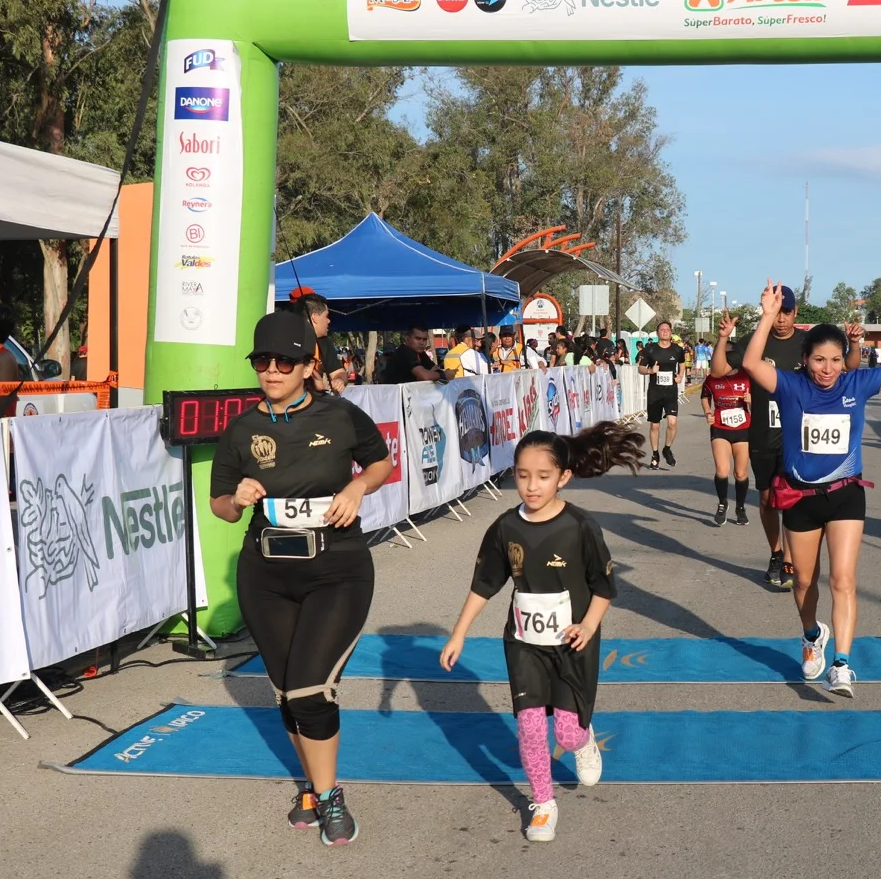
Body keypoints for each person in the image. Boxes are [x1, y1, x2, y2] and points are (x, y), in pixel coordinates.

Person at [209, 310, 395, 845]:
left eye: (284, 362)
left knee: (311, 690)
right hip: (265, 576)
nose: (271, 371)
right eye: (262, 361)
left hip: (337, 571)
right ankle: (313, 788)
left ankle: (330, 795)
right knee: (288, 695)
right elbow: (220, 505)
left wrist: (357, 488)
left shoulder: (341, 415)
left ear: (308, 366)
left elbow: (381, 463)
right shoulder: (242, 428)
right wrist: (236, 499)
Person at [440, 422, 644, 842]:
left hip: (572, 642)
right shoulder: (505, 528)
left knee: (566, 733)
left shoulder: (580, 526)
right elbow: (484, 584)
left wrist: (588, 624)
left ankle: (583, 740)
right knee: (531, 727)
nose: (531, 486)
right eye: (522, 475)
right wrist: (458, 633)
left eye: (543, 476)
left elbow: (604, 588)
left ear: (563, 477)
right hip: (524, 644)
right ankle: (543, 804)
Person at [740, 281, 881, 698]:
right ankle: (811, 635)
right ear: (805, 359)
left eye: (835, 360)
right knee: (804, 582)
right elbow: (750, 363)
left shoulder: (856, 384)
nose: (828, 368)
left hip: (845, 495)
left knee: (843, 579)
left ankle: (841, 664)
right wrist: (767, 316)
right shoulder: (790, 386)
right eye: (819, 359)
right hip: (800, 498)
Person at [729, 286, 861, 589]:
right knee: (767, 499)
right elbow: (732, 366)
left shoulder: (808, 342)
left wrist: (853, 345)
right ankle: (776, 553)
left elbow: (847, 368)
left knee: (793, 496)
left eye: (786, 312)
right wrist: (727, 338)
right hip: (763, 433)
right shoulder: (756, 339)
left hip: (798, 437)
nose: (781, 318)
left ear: (795, 312)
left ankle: (790, 558)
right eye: (777, 312)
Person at [705, 314, 752, 527]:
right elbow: (705, 396)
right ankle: (722, 503)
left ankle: (740, 507)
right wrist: (708, 412)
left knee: (740, 473)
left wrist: (751, 401)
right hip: (720, 427)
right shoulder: (713, 378)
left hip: (743, 428)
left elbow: (760, 403)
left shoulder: (747, 376)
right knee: (722, 470)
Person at [637, 321, 685, 469]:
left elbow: (682, 364)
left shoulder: (677, 349)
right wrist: (650, 371)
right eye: (662, 329)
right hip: (655, 392)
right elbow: (640, 368)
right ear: (657, 333)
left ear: (671, 332)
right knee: (655, 425)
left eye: (667, 329)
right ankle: (655, 454)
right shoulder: (650, 349)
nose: (665, 331)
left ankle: (667, 449)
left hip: (670, 391)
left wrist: (680, 376)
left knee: (672, 423)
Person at [289, 288, 347, 395]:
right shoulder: (287, 339)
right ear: (314, 317)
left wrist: (339, 380)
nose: (329, 321)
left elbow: (339, 372)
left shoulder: (324, 342)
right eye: (326, 316)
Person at [380, 326, 446, 384]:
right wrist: (444, 375)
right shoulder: (404, 352)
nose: (421, 343)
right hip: (396, 393)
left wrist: (429, 374)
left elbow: (434, 369)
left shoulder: (420, 352)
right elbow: (425, 376)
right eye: (418, 338)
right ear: (407, 339)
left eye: (424, 339)